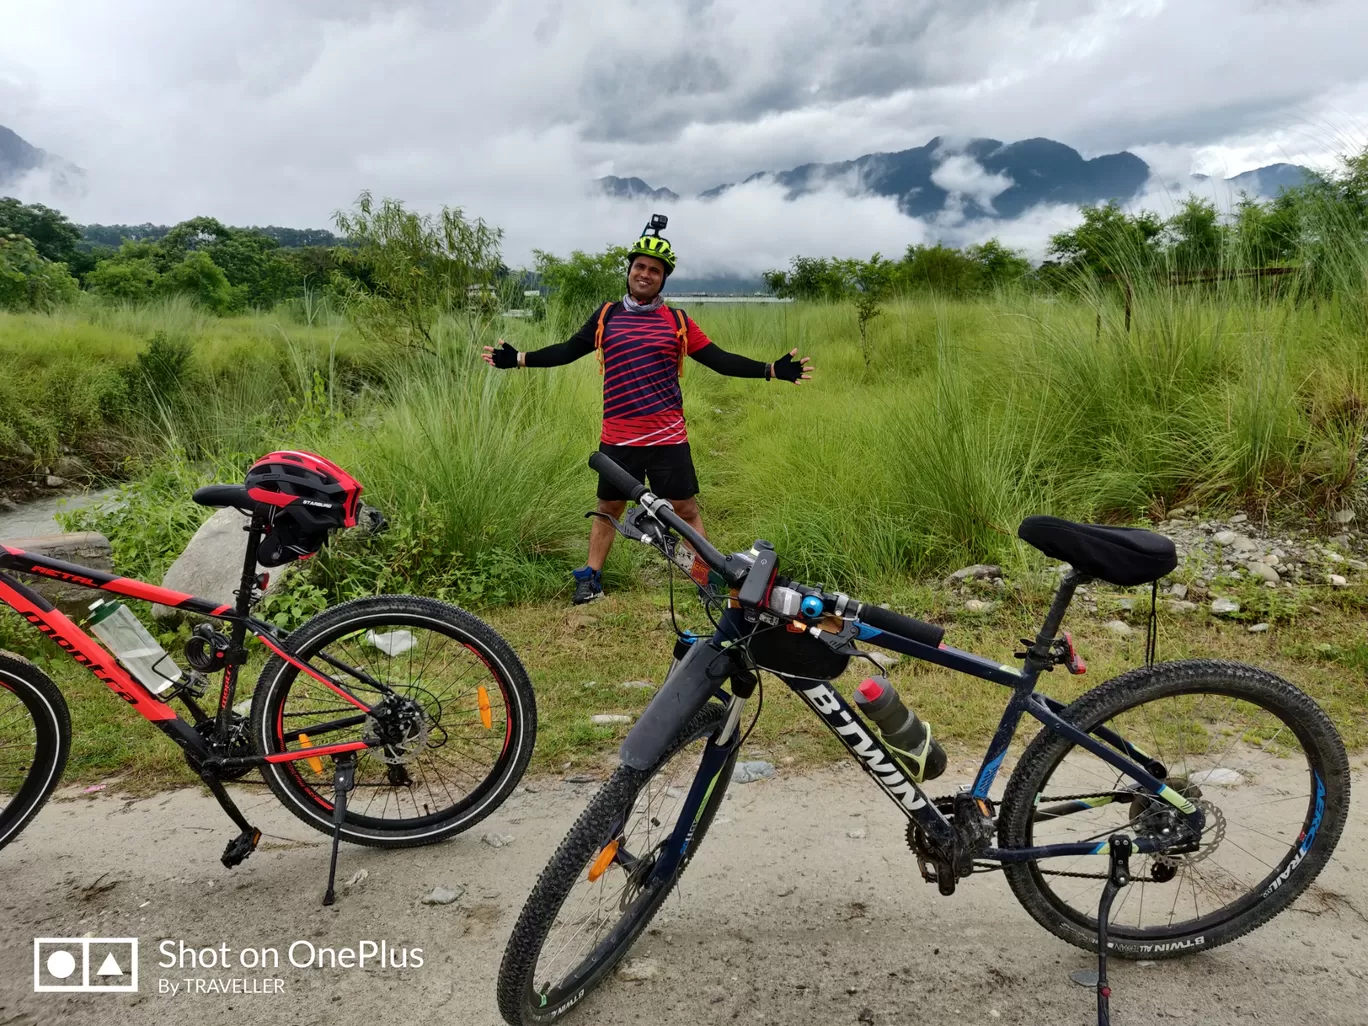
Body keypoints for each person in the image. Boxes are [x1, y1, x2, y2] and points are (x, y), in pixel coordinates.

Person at [483, 218, 813, 604]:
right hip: (618, 435)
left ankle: (706, 577)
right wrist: (519, 358)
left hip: (667, 435)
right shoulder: (607, 316)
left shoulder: (677, 322)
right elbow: (567, 350)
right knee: (609, 506)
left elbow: (719, 360)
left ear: (663, 279)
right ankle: (591, 577)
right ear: (629, 271)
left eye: (654, 270)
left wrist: (770, 370)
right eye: (639, 267)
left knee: (685, 508)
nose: (645, 274)